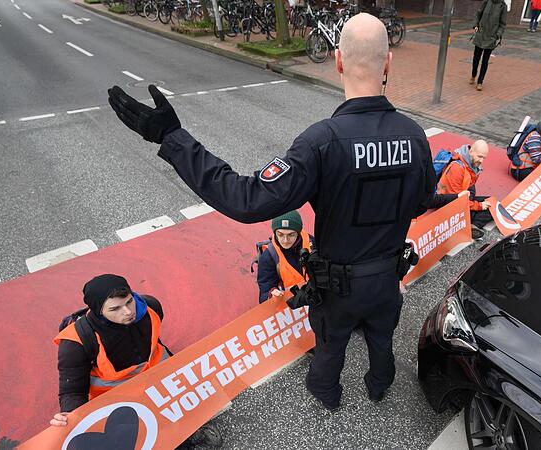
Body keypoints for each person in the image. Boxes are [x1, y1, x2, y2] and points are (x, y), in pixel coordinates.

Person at [107, 13, 436, 411]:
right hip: (387, 278)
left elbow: (246, 199)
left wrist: (173, 139)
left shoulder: (322, 141)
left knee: (330, 346)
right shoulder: (415, 136)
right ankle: (378, 386)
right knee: (382, 340)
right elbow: (422, 201)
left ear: (338, 61)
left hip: (339, 287)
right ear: (388, 62)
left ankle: (327, 396)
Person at [50, 274, 221, 448]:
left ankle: (188, 430)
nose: (128, 312)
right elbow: (72, 392)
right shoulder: (75, 342)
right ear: (98, 311)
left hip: (161, 381)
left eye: (129, 301)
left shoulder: (150, 306)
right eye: (115, 309)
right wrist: (71, 419)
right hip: (120, 400)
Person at [436, 140, 493, 239]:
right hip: (447, 205)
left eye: (484, 158)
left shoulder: (472, 165)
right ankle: (472, 225)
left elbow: (469, 188)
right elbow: (456, 201)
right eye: (479, 156)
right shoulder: (457, 168)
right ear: (470, 151)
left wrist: (471, 200)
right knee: (485, 207)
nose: (481, 161)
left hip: (460, 197)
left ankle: (472, 226)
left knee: (492, 202)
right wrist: (478, 206)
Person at [257, 210, 314, 303]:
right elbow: (265, 291)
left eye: (291, 235)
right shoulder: (268, 257)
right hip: (292, 304)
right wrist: (271, 294)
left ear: (298, 233)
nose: (285, 240)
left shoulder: (312, 243)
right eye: (280, 234)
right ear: (275, 233)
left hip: (315, 297)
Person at [471, 0, 507, 91]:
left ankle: (480, 81)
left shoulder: (502, 5)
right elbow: (478, 14)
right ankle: (473, 74)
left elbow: (502, 24)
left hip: (491, 37)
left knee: (485, 61)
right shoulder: (486, 2)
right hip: (480, 34)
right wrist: (475, 25)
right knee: (476, 58)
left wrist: (497, 34)